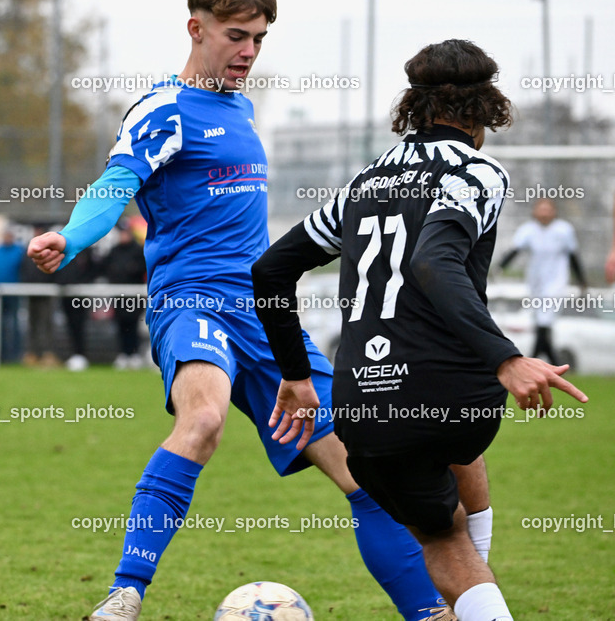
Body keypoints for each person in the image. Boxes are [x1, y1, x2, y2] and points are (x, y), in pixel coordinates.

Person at [29, 0, 451, 621]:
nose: (248, 51)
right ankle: (124, 595)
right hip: (190, 300)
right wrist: (72, 236)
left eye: (257, 38)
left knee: (367, 470)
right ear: (195, 29)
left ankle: (432, 614)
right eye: (235, 35)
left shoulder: (242, 112)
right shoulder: (163, 109)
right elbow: (115, 184)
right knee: (202, 419)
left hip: (264, 313)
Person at [251, 39, 589, 621]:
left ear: (415, 107)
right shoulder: (478, 171)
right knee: (456, 453)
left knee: (440, 537)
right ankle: (476, 598)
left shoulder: (364, 184)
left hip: (363, 402)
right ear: (484, 110)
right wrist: (506, 359)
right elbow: (435, 261)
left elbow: (271, 269)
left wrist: (297, 375)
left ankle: (466, 599)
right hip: (454, 386)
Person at [498, 198, 586, 364]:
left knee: (544, 319)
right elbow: (515, 251)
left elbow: (573, 256)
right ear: (535, 212)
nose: (544, 213)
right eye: (541, 209)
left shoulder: (564, 229)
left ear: (554, 212)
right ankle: (550, 361)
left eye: (548, 209)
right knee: (541, 322)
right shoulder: (528, 230)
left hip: (557, 282)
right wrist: (500, 267)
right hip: (536, 282)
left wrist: (581, 280)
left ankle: (532, 359)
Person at [102, 224, 147, 369]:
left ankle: (134, 353)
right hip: (119, 295)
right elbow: (106, 268)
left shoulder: (138, 250)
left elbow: (142, 268)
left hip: (135, 296)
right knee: (121, 324)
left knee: (133, 324)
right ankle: (123, 353)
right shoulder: (114, 251)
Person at [21, 224, 59, 368]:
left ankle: (48, 353)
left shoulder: (50, 250)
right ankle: (33, 353)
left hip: (46, 291)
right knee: (32, 324)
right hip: (31, 292)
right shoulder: (27, 252)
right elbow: (23, 270)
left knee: (47, 323)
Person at [0, 229, 25, 363]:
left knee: (13, 324)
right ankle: (1, 355)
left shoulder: (19, 251)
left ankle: (15, 355)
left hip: (13, 293)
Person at [54, 246, 97, 371]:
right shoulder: (63, 249)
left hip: (80, 295)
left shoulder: (86, 249)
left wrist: (83, 283)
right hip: (66, 293)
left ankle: (81, 354)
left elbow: (93, 269)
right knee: (70, 325)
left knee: (80, 325)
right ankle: (75, 355)